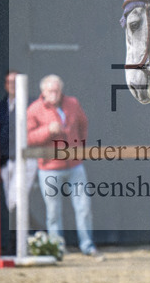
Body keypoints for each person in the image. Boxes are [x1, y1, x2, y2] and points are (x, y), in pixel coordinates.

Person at [26, 74, 102, 258]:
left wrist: (80, 146)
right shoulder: (34, 110)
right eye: (51, 90)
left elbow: (84, 124)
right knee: (53, 212)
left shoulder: (73, 103)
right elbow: (28, 138)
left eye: (57, 90)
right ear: (43, 92)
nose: (55, 94)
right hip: (49, 168)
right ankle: (57, 248)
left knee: (83, 207)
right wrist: (48, 130)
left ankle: (87, 245)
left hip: (75, 165)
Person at [0, 70, 38, 229]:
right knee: (10, 202)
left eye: (16, 82)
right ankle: (31, 235)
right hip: (6, 160)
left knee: (17, 199)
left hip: (26, 158)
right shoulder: (1, 106)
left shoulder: (32, 105)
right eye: (9, 82)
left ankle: (27, 237)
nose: (12, 86)